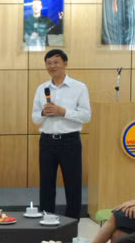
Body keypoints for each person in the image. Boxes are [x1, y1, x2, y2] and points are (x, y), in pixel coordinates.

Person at [31, 49, 91, 220]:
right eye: (48, 63)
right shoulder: (42, 89)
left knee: (73, 184)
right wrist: (43, 113)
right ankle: (46, 219)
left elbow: (86, 116)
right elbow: (34, 118)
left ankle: (71, 223)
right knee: (46, 185)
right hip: (47, 142)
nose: (52, 66)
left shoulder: (79, 87)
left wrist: (62, 112)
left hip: (69, 141)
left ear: (65, 64)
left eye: (56, 62)